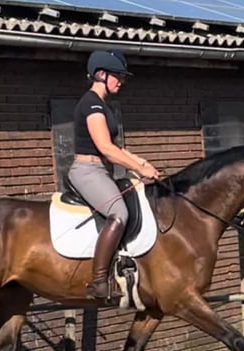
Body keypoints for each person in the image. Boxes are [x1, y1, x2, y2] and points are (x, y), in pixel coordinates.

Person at [68, 50, 162, 300]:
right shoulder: (92, 104)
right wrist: (139, 169)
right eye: (118, 76)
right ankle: (99, 280)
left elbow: (116, 147)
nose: (122, 81)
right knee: (118, 213)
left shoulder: (103, 106)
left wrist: (142, 163)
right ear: (101, 74)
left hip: (100, 170)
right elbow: (106, 148)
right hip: (87, 170)